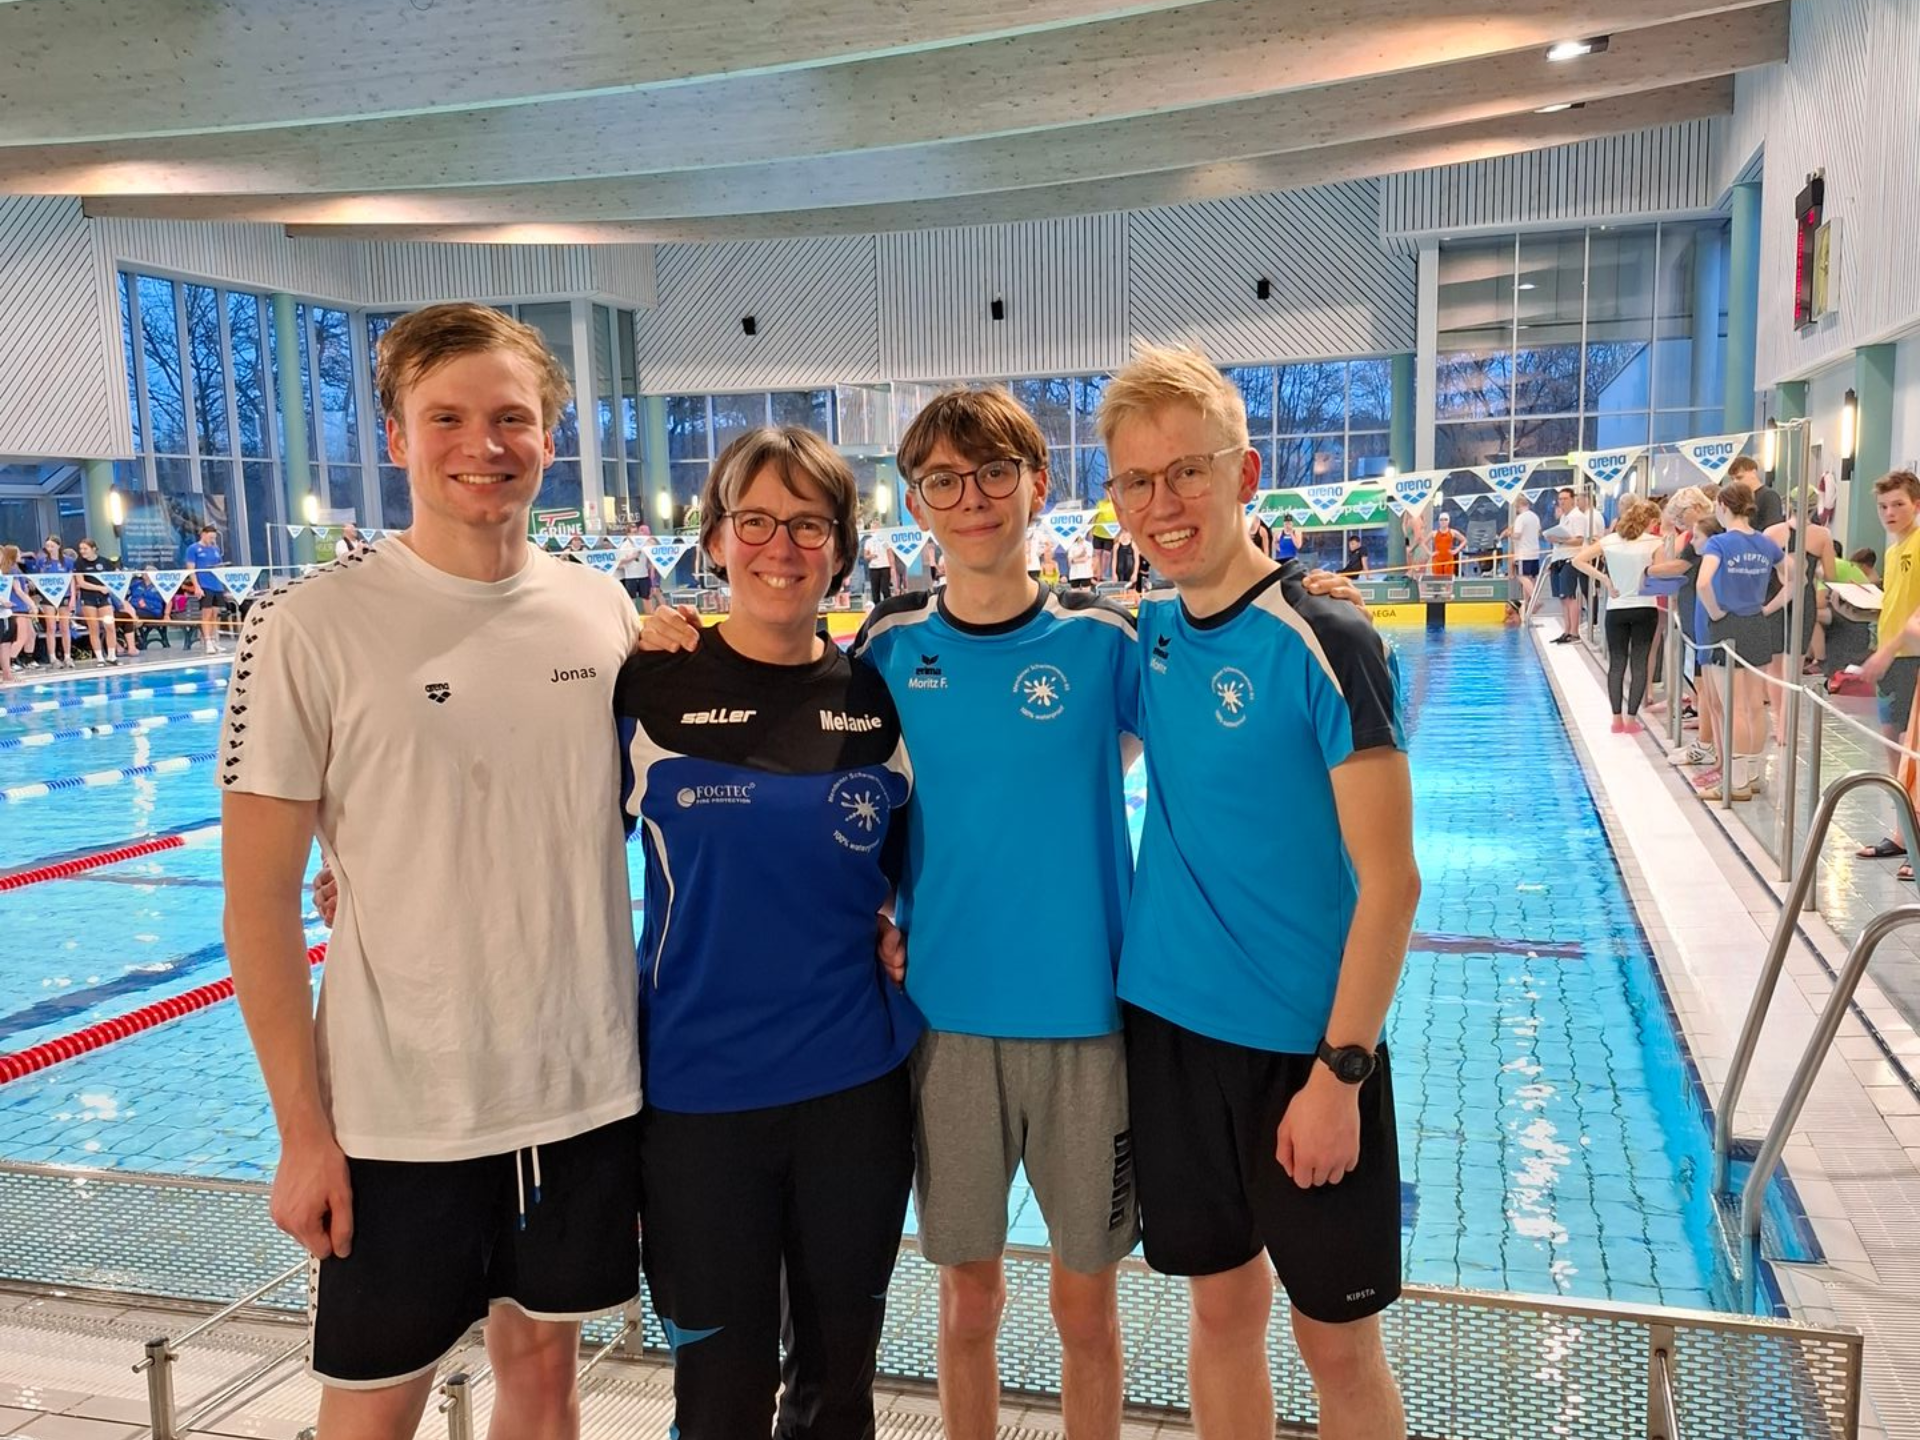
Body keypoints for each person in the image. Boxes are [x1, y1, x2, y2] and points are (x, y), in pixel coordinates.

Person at [221, 302, 645, 1435]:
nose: (483, 445)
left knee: (545, 1382)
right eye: (446, 417)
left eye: (512, 417)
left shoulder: (601, 608)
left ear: (550, 433)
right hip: (398, 1107)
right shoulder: (308, 626)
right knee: (372, 1408)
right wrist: (301, 1131)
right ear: (397, 436)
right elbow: (257, 905)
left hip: (580, 1086)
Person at [1099, 345, 1419, 1440]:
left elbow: (1393, 882)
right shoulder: (1143, 636)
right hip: (1171, 1038)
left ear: (1243, 473)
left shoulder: (1328, 640)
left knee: (1339, 1347)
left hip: (1306, 1053)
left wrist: (1341, 1073)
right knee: (1222, 1312)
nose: (1163, 503)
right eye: (1138, 481)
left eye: (1187, 471)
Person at [620, 427, 920, 1440]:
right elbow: (538, 839)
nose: (780, 547)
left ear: (842, 550)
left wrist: (903, 927)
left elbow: (940, 863)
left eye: (808, 525)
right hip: (700, 1099)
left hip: (853, 1092)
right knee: (720, 1399)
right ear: (714, 540)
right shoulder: (647, 687)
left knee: (838, 1395)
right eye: (754, 521)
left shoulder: (881, 701)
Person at [1696, 480, 1792, 803]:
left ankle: (1735, 783)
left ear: (1723, 506)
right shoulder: (1765, 543)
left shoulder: (1720, 543)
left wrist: (1715, 613)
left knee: (1734, 706)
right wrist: (1768, 608)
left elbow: (1703, 583)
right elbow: (1796, 579)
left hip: (1729, 627)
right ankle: (1751, 777)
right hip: (1757, 625)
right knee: (1754, 706)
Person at [1855, 471, 1920, 859]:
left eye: (1898, 504)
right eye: (1883, 506)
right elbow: (1897, 605)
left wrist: (1888, 649)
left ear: (1916, 505)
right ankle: (1904, 832)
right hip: (1892, 659)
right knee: (1893, 746)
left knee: (1913, 752)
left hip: (1912, 658)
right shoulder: (1894, 551)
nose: (1889, 513)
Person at [1572, 498, 1663, 733]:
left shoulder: (1609, 541)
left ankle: (1616, 720)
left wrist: (1605, 579)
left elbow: (1577, 560)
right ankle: (1631, 721)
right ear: (1651, 521)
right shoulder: (1655, 542)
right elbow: (1660, 575)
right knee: (1639, 663)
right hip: (1645, 607)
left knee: (1617, 663)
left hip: (1616, 608)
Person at [1543, 488, 1595, 643]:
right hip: (1559, 559)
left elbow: (1579, 540)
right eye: (1560, 499)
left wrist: (1558, 540)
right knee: (1562, 597)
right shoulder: (1564, 517)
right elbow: (1561, 542)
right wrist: (1552, 560)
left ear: (1573, 499)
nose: (1562, 502)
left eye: (1565, 499)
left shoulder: (1577, 517)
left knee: (1570, 596)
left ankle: (1574, 632)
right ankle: (1566, 630)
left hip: (1571, 559)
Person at [71, 538, 122, 664]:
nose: (82, 551)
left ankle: (112, 656)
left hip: (104, 598)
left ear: (93, 549)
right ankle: (100, 658)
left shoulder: (105, 562)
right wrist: (100, 588)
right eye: (81, 549)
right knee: (94, 628)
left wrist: (113, 583)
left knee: (110, 626)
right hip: (88, 598)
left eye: (85, 549)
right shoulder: (79, 563)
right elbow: (81, 583)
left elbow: (114, 578)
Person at [184, 525, 230, 652]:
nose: (212, 540)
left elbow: (219, 565)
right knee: (207, 613)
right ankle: (207, 640)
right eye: (210, 537)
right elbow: (191, 569)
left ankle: (214, 640)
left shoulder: (215, 548)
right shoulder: (193, 549)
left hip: (217, 585)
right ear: (203, 534)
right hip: (204, 584)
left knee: (215, 613)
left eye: (214, 538)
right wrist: (197, 586)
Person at [34, 534, 74, 669]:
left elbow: (72, 580)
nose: (49, 548)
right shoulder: (42, 561)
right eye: (47, 546)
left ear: (58, 546)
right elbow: (38, 579)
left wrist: (73, 598)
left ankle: (67, 656)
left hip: (64, 596)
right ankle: (53, 657)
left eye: (52, 546)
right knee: (51, 627)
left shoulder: (68, 561)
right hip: (48, 597)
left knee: (65, 627)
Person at [1501, 494, 1543, 615]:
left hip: (1523, 553)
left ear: (1517, 506)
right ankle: (1528, 605)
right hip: (1535, 552)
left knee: (1521, 576)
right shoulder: (1535, 517)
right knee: (1530, 578)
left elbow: (1517, 535)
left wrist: (1509, 534)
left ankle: (1536, 599)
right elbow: (1539, 532)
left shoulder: (1521, 518)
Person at [863, 525, 895, 607]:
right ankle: (877, 608)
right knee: (875, 590)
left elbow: (889, 552)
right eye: (873, 527)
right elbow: (865, 556)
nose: (875, 529)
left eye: (876, 527)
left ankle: (889, 607)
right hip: (873, 568)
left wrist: (892, 567)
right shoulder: (868, 541)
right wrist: (871, 556)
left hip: (885, 566)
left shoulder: (884, 540)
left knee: (885, 588)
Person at [1428, 511, 1460, 580]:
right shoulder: (1434, 533)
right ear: (1439, 521)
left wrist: (1456, 550)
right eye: (1441, 520)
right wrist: (1430, 553)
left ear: (1449, 521)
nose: (1443, 522)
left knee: (1448, 580)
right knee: (1437, 580)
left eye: (1445, 519)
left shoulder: (1453, 532)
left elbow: (1464, 540)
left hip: (1448, 560)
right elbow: (1423, 542)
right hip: (1437, 560)